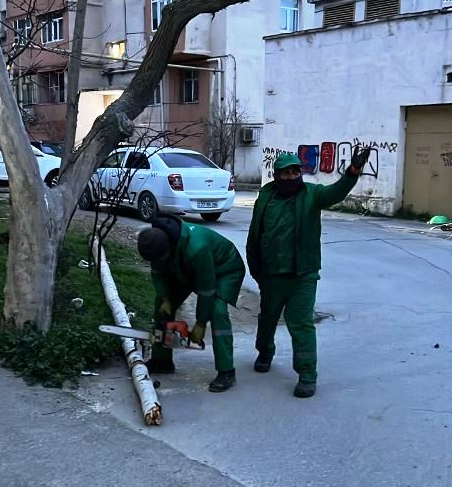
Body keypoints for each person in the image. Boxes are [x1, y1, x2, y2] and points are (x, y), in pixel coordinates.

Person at [245, 146, 371, 398]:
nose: (292, 177)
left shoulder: (312, 194)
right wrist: (256, 268)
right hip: (271, 274)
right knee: (267, 318)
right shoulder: (266, 198)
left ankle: (307, 374)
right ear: (277, 175)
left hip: (303, 275)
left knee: (301, 323)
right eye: (286, 173)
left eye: (295, 172)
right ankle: (265, 352)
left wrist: (352, 172)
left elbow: (336, 192)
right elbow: (255, 234)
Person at [137, 215, 245, 393]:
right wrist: (166, 299)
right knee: (161, 306)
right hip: (186, 268)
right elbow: (158, 274)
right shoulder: (157, 244)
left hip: (224, 269)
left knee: (217, 311)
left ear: (169, 247)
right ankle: (162, 360)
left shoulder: (197, 248)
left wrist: (200, 324)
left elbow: (206, 290)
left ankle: (226, 371)